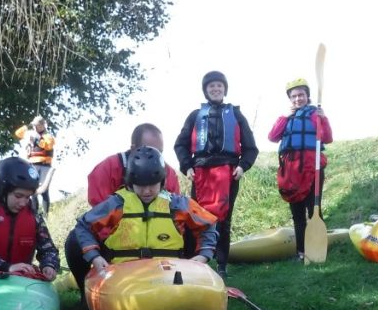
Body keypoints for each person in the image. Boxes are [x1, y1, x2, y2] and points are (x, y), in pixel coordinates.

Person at [64, 146, 219, 290]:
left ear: (162, 181)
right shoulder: (116, 204)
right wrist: (94, 257)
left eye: (152, 185)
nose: (146, 191)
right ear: (131, 184)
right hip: (123, 273)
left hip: (169, 270)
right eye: (140, 186)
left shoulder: (177, 204)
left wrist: (204, 255)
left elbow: (208, 224)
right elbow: (84, 226)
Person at [174, 70, 258, 278]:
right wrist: (187, 167)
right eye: (211, 86)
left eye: (219, 86)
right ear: (206, 91)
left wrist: (242, 166)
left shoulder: (236, 115)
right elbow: (181, 145)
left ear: (224, 89)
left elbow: (250, 147)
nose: (215, 89)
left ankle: (221, 265)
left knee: (223, 220)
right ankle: (195, 262)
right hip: (201, 173)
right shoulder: (195, 116)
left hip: (228, 173)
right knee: (196, 218)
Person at [0, 157, 60, 280]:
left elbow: (49, 250)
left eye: (28, 197)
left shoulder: (34, 216)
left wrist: (49, 265)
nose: (23, 203)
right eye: (18, 196)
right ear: (3, 190)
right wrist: (5, 267)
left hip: (21, 279)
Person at [267, 78, 333, 261]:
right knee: (297, 215)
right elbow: (272, 136)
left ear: (307, 96)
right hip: (291, 171)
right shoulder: (287, 118)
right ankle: (301, 252)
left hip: (314, 169)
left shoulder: (315, 114)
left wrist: (324, 117)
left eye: (301, 95)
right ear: (290, 99)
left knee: (314, 211)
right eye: (294, 96)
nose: (298, 99)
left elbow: (327, 138)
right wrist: (285, 117)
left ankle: (318, 250)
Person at [86, 123, 182, 206]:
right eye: (149, 149)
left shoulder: (169, 174)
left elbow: (177, 211)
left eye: (159, 152)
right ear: (133, 148)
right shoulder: (108, 169)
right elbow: (100, 213)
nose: (155, 155)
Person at [14, 114, 55, 214]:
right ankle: (34, 214)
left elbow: (48, 146)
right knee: (33, 190)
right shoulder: (30, 133)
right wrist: (27, 126)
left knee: (44, 190)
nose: (35, 127)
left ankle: (46, 215)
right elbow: (18, 133)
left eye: (37, 125)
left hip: (45, 165)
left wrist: (36, 140)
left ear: (42, 125)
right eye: (34, 125)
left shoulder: (48, 136)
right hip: (32, 164)